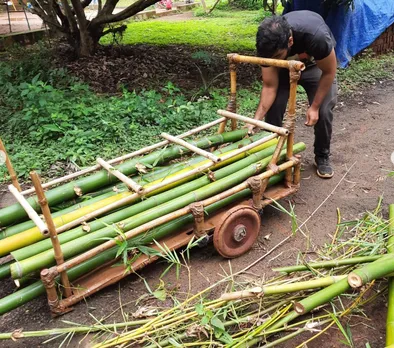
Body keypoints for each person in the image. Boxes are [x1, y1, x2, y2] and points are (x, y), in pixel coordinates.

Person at [248, 11, 337, 179]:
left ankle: (322, 155)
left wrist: (315, 107)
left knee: (324, 111)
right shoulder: (268, 49)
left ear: (290, 41)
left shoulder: (316, 36)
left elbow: (329, 71)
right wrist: (256, 119)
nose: (269, 58)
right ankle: (274, 152)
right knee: (274, 107)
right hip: (284, 67)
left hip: (314, 67)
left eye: (275, 55)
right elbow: (269, 85)